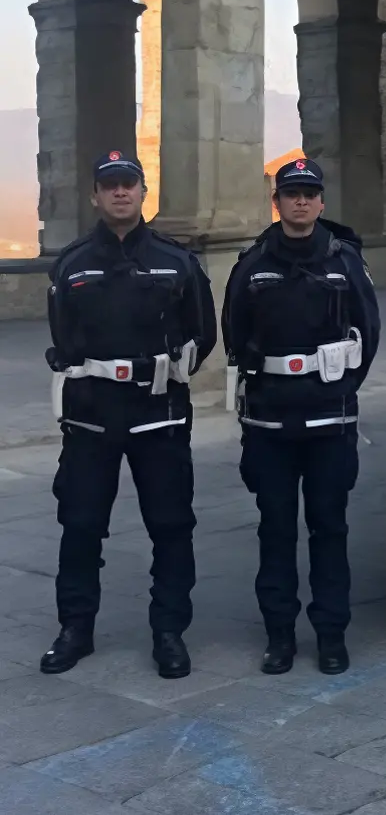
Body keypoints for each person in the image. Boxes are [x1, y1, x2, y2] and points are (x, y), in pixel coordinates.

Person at [41, 150, 216, 678]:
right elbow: (62, 335)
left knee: (170, 525)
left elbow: (202, 332)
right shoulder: (71, 263)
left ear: (143, 193)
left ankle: (169, 632)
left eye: (129, 184)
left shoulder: (177, 261)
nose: (120, 192)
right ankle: (76, 628)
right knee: (80, 524)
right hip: (92, 415)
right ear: (95, 195)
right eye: (110, 184)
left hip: (157, 412)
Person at [223, 157, 380, 676]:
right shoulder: (252, 263)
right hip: (269, 422)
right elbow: (233, 331)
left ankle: (331, 634)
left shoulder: (345, 260)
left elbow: (369, 331)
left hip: (329, 422)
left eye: (310, 193)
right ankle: (279, 636)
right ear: (278, 201)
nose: (302, 201)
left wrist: (341, 388)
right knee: (275, 530)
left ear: (321, 202)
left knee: (329, 528)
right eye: (292, 193)